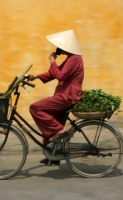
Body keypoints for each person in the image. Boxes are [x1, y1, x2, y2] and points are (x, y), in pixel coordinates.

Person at [28, 30, 84, 165]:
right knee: (50, 121)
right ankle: (53, 157)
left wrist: (52, 61)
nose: (60, 48)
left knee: (36, 108)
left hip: (67, 97)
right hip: (64, 96)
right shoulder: (71, 58)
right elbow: (54, 73)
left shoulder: (75, 58)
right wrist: (35, 77)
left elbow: (60, 76)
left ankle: (60, 131)